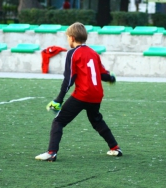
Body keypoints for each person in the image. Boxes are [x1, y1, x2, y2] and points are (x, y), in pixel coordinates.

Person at [35, 22, 122, 162]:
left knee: (58, 121)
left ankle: (52, 152)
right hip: (97, 94)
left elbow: (69, 78)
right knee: (96, 120)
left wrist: (58, 99)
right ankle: (115, 148)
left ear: (72, 38)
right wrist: (111, 78)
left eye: (68, 37)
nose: (67, 40)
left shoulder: (72, 53)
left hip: (83, 94)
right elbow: (103, 74)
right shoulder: (93, 53)